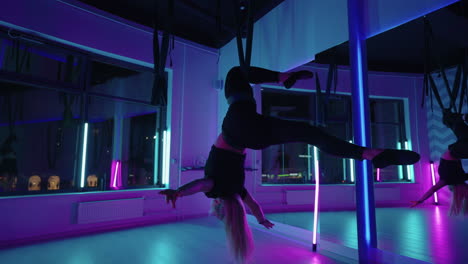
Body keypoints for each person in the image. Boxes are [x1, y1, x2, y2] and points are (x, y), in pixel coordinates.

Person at [160, 66, 420, 263]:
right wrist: (179, 192)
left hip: (254, 136)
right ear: (217, 203)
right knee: (236, 74)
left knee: (310, 134)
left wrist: (262, 220)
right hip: (237, 126)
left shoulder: (237, 192)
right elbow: (203, 183)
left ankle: (369, 154)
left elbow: (253, 206)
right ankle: (281, 78)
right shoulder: (217, 189)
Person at [411, 110, 468, 215]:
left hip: (458, 151)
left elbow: (432, 190)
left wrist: (420, 201)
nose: (466, 187)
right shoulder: (459, 178)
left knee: (463, 136)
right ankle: (451, 119)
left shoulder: (446, 180)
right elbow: (432, 190)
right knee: (461, 132)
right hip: (458, 150)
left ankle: (454, 118)